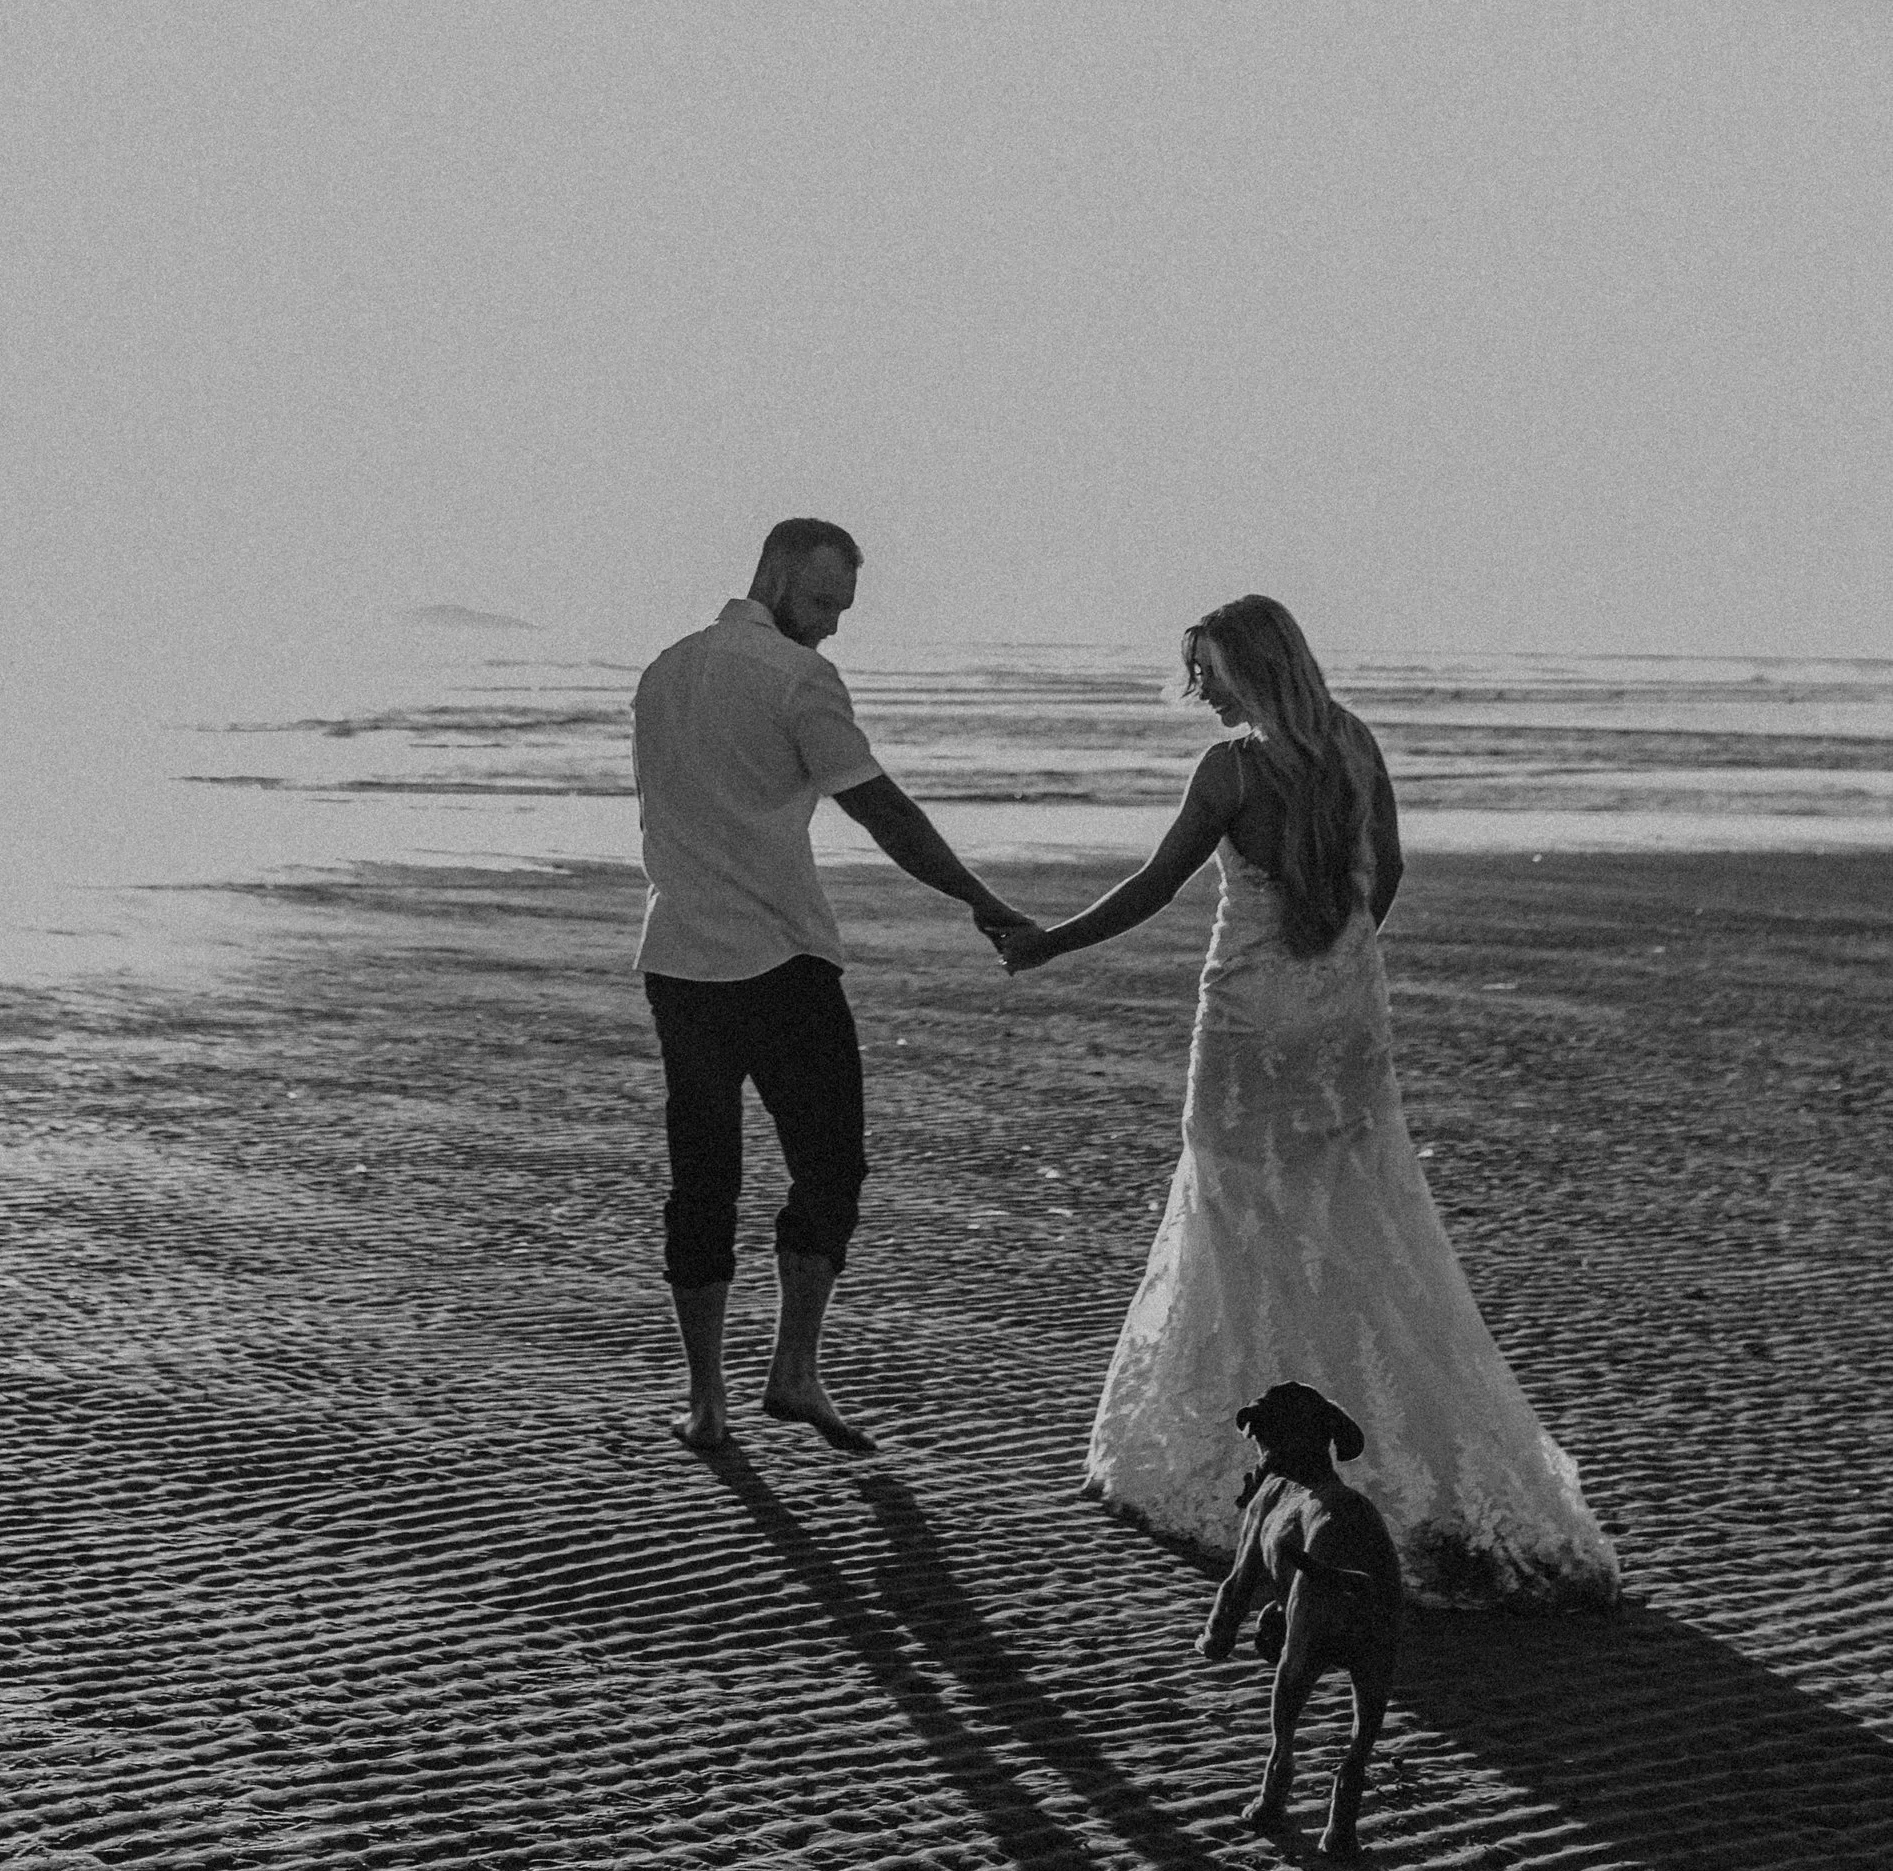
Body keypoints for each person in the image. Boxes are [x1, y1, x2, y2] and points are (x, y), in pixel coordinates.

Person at [996, 595, 1618, 1606]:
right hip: (1342, 1023)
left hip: (1245, 1025)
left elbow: (1158, 884)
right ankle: (1375, 1439)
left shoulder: (1231, 770)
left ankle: (1251, 1450)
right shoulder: (1355, 742)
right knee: (1364, 1220)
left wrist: (1045, 939)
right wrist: (1339, 963)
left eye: (1207, 673)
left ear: (1248, 670)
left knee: (1239, 1219)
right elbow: (1393, 872)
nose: (1197, 692)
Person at [634, 518, 1032, 1457]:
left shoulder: (664, 670)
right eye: (821, 602)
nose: (832, 627)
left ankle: (708, 1402)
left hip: (678, 960)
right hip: (780, 961)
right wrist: (980, 899)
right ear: (774, 573)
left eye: (842, 609)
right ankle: (793, 1373)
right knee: (830, 1167)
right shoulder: (796, 679)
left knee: (704, 1179)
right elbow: (881, 807)